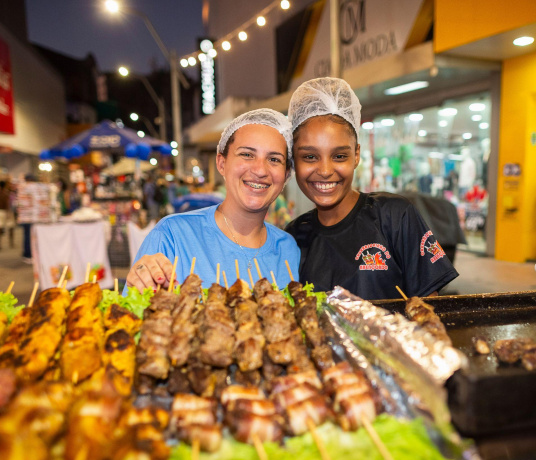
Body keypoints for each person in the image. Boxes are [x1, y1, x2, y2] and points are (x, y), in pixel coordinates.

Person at [285, 77, 458, 300]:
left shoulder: (395, 217)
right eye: (309, 156)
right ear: (294, 161)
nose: (325, 170)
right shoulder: (294, 237)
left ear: (356, 155)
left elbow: (430, 311)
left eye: (339, 156)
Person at [125, 109, 300, 292]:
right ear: (222, 163)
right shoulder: (173, 236)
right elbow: (132, 313)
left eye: (274, 159)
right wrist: (142, 279)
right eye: (247, 154)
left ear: (286, 174)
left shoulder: (289, 249)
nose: (260, 170)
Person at [0, 180, 15, 251]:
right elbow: (7, 204)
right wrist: (8, 212)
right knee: (11, 227)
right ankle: (11, 242)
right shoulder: (6, 194)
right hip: (6, 211)